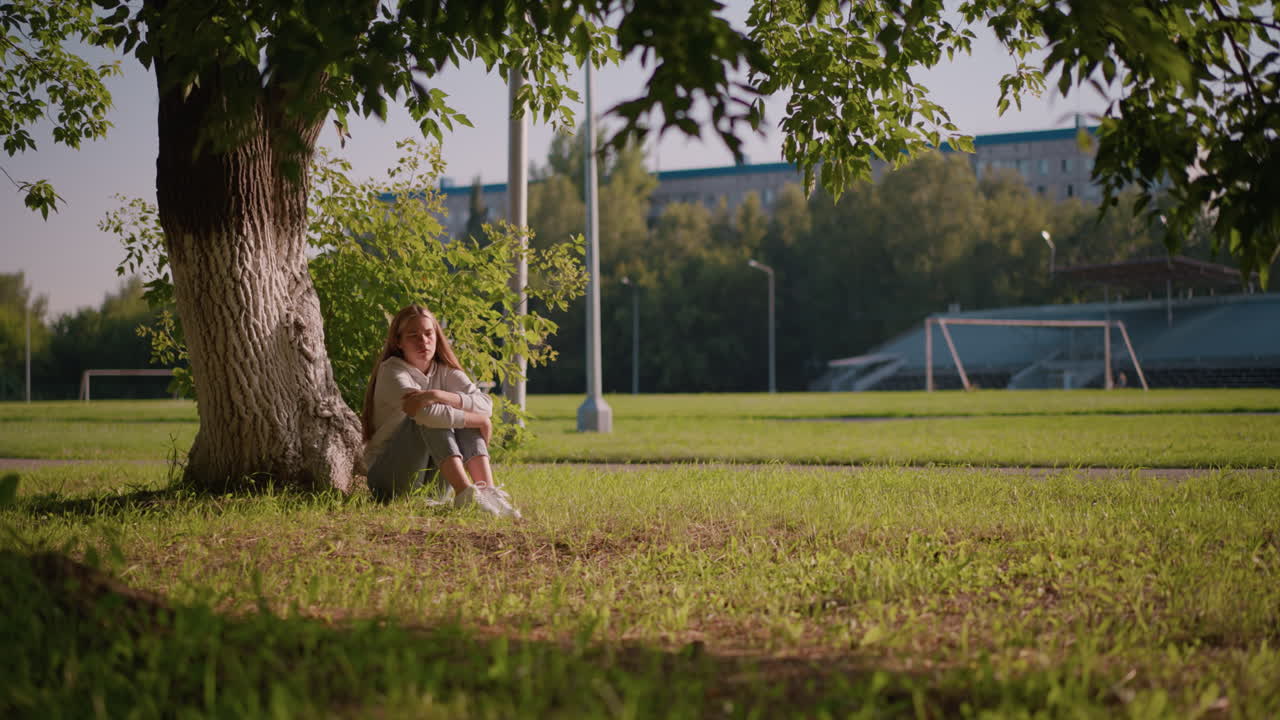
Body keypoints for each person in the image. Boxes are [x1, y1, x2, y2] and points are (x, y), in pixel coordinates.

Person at [361, 305, 518, 517]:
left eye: (428, 333)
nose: (423, 341)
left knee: (458, 416)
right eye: (413, 335)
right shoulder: (392, 371)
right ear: (398, 342)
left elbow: (485, 404)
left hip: (433, 483)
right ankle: (464, 494)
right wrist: (477, 420)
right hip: (389, 481)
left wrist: (437, 395)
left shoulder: (445, 371)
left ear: (436, 336)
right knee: (431, 417)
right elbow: (424, 415)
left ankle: (487, 492)